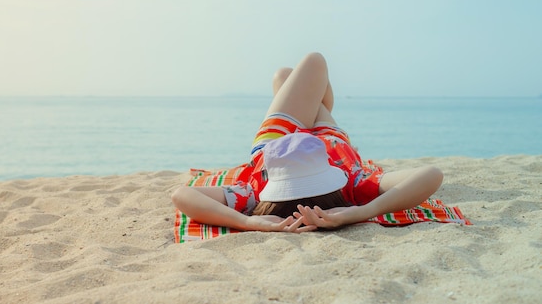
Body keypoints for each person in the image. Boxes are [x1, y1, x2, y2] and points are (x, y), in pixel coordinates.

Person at [171, 52, 443, 233]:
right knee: (303, 68)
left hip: (276, 144)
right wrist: (362, 212)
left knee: (288, 75)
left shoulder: (254, 195)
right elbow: (432, 174)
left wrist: (247, 221)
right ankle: (302, 98)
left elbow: (181, 195)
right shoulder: (353, 186)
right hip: (329, 143)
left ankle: (298, 94)